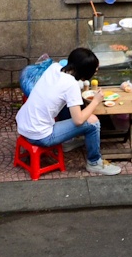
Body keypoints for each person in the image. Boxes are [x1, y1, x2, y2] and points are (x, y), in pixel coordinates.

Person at [15, 47, 121, 176]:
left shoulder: (53, 68)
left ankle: (67, 142)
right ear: (85, 72)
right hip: (40, 136)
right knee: (93, 122)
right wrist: (96, 101)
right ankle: (94, 163)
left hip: (23, 125)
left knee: (68, 104)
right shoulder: (71, 85)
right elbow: (79, 120)